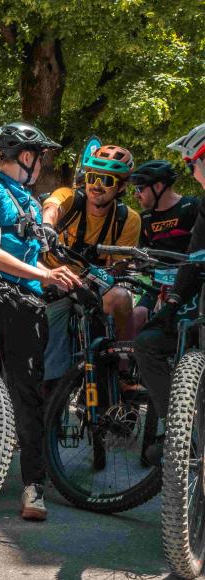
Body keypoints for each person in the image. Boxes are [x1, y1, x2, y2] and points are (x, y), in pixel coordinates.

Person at [0, 121, 80, 522]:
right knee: (6, 385)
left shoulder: (29, 201)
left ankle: (33, 482)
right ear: (26, 156)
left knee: (28, 389)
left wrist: (65, 271)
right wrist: (45, 276)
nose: (43, 163)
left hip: (25, 293)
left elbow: (38, 253)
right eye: (40, 156)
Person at [40, 145, 141, 385]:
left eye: (106, 180)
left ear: (121, 187)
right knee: (53, 324)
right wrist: (47, 226)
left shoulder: (128, 219)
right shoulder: (70, 197)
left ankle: (123, 367)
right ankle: (52, 387)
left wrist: (97, 278)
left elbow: (119, 267)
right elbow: (53, 207)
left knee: (122, 297)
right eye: (92, 177)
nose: (96, 185)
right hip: (53, 276)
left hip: (93, 282)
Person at [135, 121, 205, 465]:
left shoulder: (192, 207)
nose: (192, 173)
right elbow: (195, 260)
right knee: (147, 341)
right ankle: (177, 429)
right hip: (182, 292)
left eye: (193, 164)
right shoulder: (202, 207)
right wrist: (173, 302)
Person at [130, 160, 201, 330]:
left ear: (159, 186)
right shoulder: (144, 219)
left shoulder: (192, 207)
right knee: (136, 317)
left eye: (140, 188)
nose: (136, 195)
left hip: (192, 284)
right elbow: (141, 254)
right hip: (158, 285)